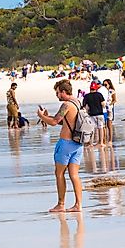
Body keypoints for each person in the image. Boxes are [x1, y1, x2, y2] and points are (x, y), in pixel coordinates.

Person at [37, 79, 84, 213]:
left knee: (59, 174)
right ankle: (78, 205)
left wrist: (41, 116)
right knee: (74, 175)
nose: (57, 95)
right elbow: (64, 122)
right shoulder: (77, 102)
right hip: (78, 144)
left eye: (58, 93)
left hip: (66, 144)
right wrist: (47, 116)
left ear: (63, 92)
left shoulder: (66, 105)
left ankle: (61, 204)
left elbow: (53, 122)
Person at [101, 79, 116, 144]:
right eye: (103, 85)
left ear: (109, 84)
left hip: (109, 108)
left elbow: (114, 100)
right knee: (103, 125)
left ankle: (110, 140)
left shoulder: (112, 91)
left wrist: (109, 104)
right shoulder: (102, 91)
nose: (104, 86)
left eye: (106, 85)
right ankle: (104, 140)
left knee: (109, 125)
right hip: (103, 109)